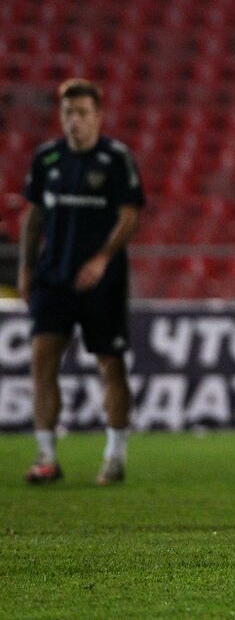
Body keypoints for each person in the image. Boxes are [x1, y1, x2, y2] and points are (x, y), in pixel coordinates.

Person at [20, 79, 143, 486]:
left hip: (102, 281)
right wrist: (24, 269)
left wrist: (102, 259)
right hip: (53, 276)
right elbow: (34, 216)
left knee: (110, 363)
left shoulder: (115, 158)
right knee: (42, 359)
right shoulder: (47, 158)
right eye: (68, 113)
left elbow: (129, 215)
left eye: (83, 113)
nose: (75, 121)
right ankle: (46, 456)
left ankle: (115, 453)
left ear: (98, 116)